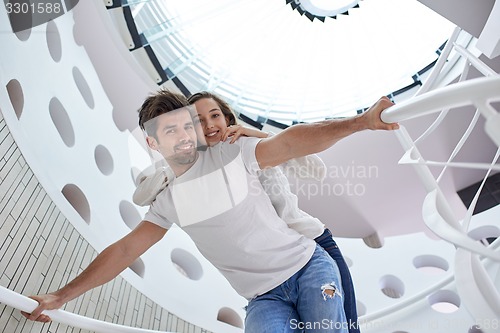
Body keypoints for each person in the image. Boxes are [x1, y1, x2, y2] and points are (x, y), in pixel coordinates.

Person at [23, 90, 398, 332]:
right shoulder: (167, 200)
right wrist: (60, 296)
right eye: (170, 132)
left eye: (187, 126)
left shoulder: (233, 153)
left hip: (308, 267)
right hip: (264, 299)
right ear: (153, 142)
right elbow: (124, 251)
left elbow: (292, 140)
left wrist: (362, 122)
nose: (184, 136)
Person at [133, 91, 360, 332]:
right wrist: (171, 174)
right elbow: (142, 192)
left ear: (227, 119)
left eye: (215, 115)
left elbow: (315, 169)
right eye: (199, 121)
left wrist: (261, 135)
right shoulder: (198, 165)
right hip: (273, 273)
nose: (209, 125)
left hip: (313, 243)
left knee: (345, 326)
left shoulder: (247, 146)